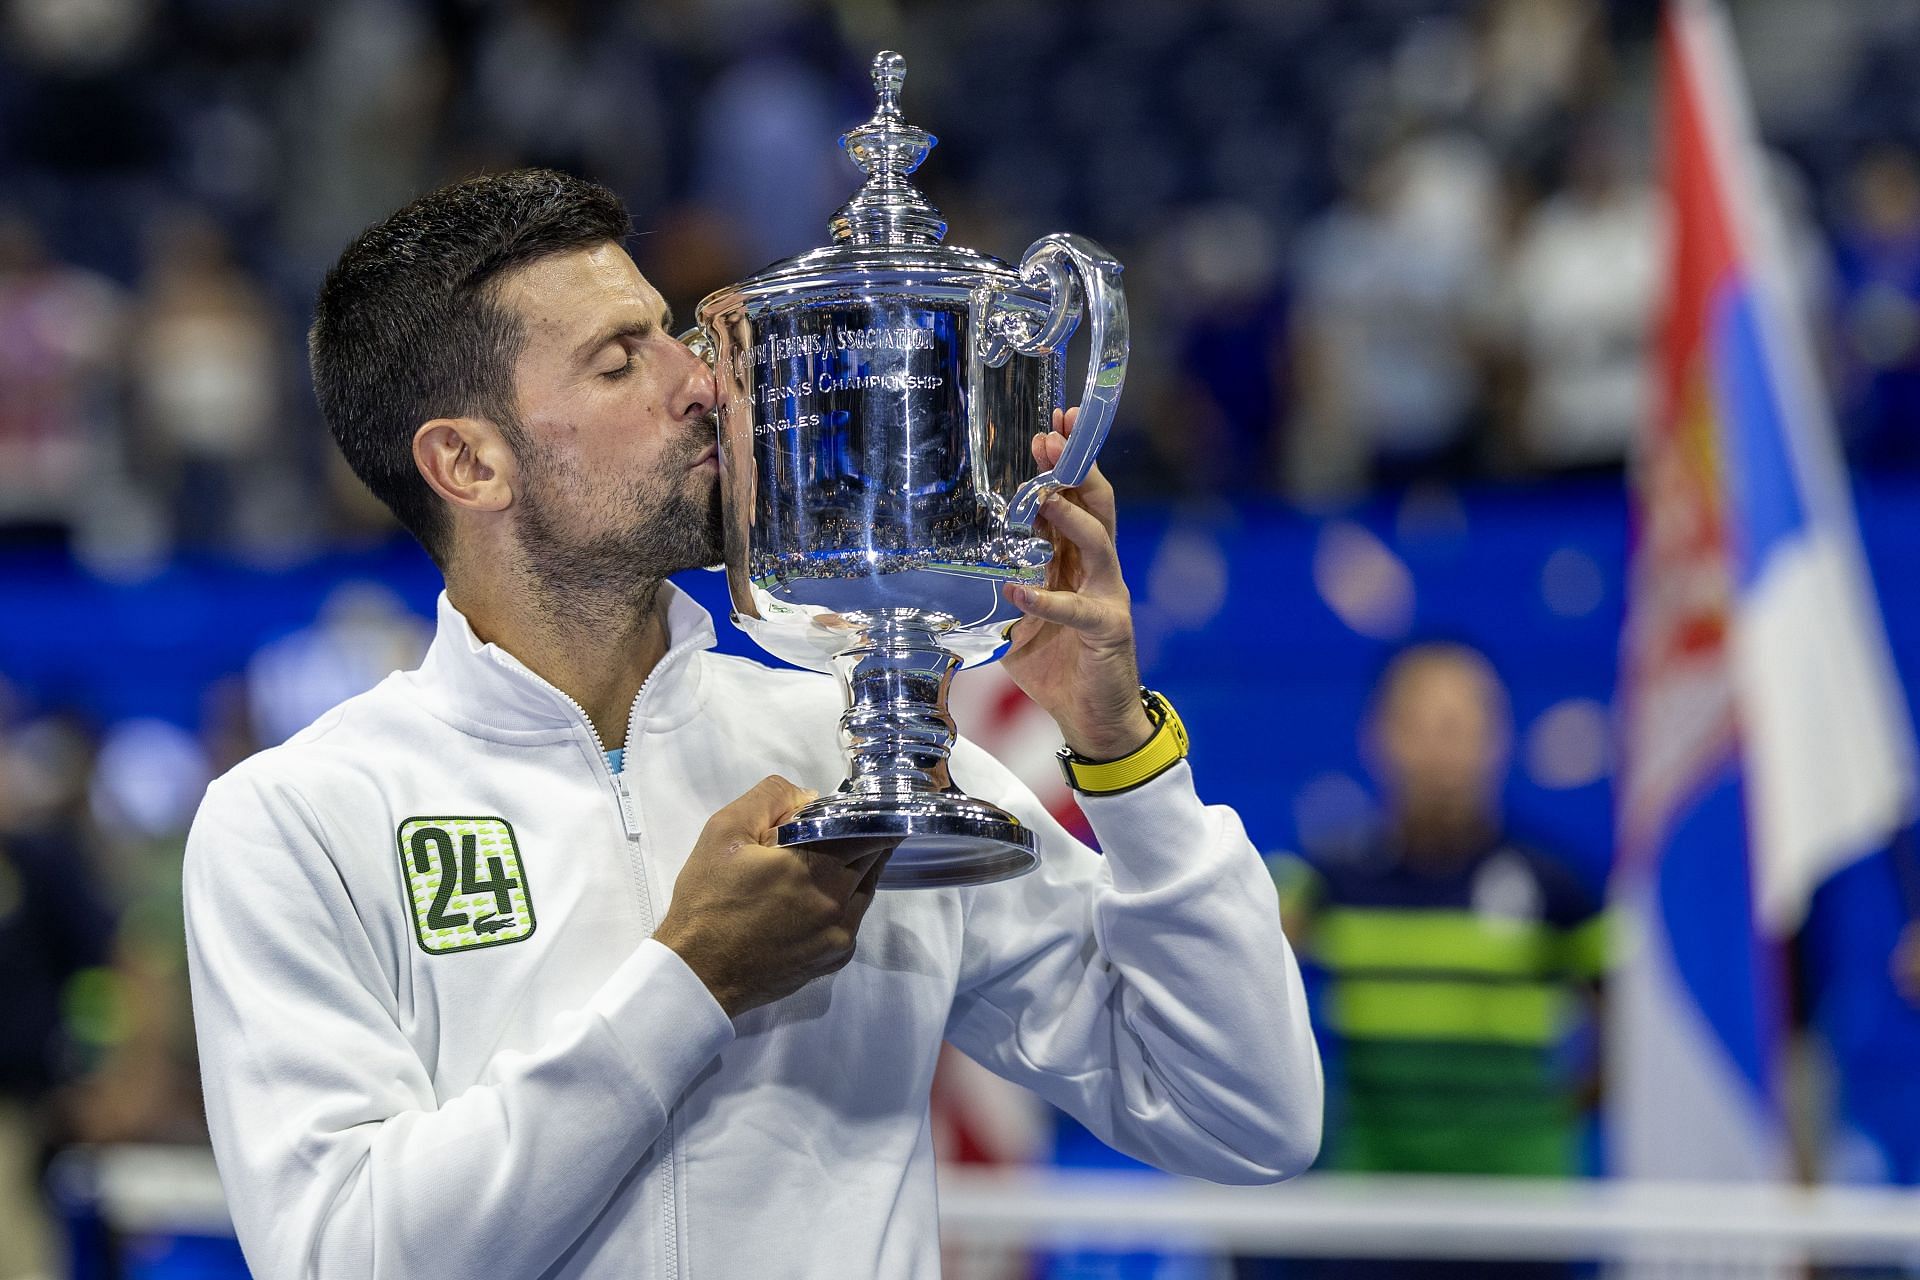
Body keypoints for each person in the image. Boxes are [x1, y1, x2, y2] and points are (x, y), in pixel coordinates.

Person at [182, 169, 1322, 1279]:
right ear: (469, 462)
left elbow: (1252, 1113)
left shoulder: (856, 753)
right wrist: (692, 981)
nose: (703, 383)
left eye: (673, 332)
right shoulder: (298, 821)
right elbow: (345, 1253)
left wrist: (1124, 754)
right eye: (620, 358)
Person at [1262, 642, 1605, 1279]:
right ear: (1379, 737)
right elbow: (1236, 960)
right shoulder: (1329, 881)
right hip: (1373, 1211)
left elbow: (1625, 1027)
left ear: (1500, 739)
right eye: (1421, 725)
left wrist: (1565, 1108)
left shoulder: (1559, 886)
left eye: (1463, 726)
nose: (1442, 749)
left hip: (1524, 1215)